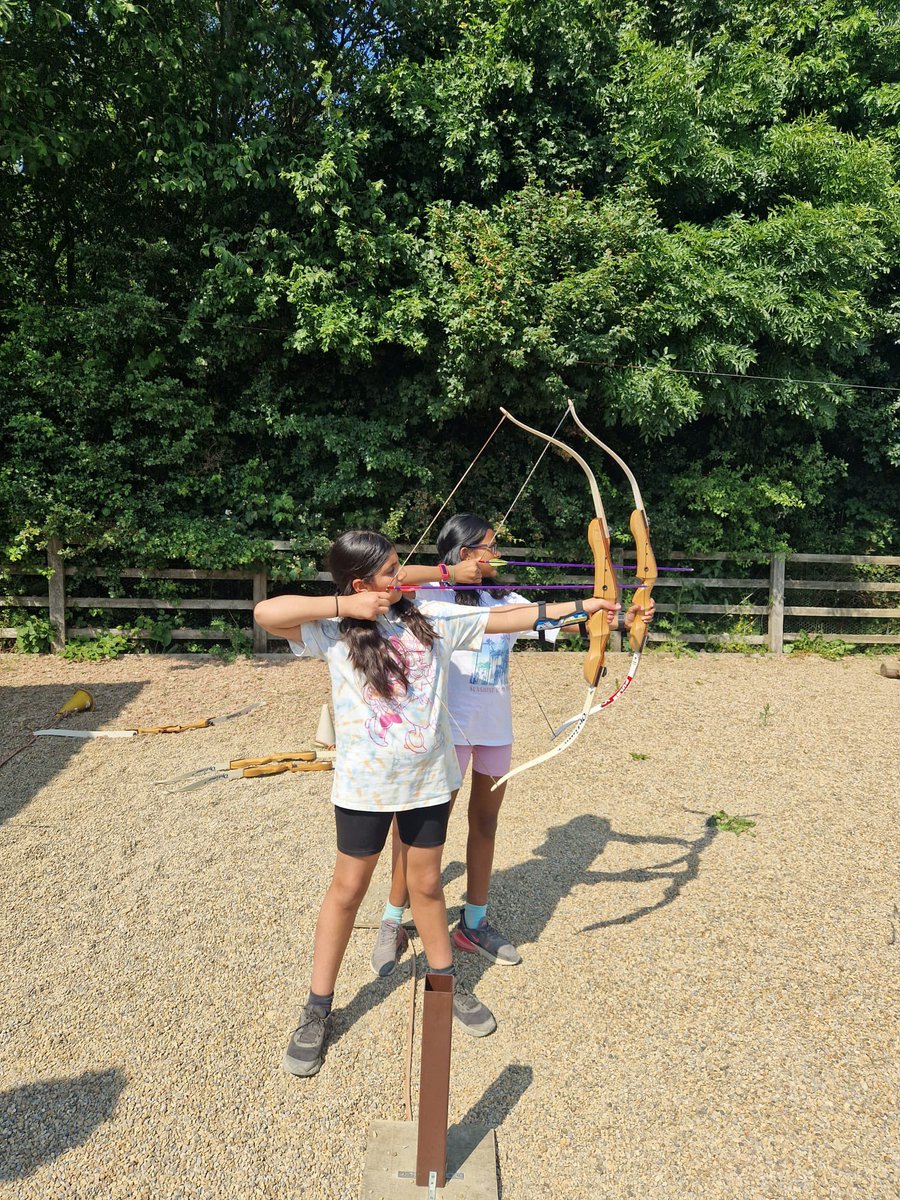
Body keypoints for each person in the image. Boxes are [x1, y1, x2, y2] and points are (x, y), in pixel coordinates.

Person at [253, 529, 622, 1077]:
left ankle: (446, 986)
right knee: (348, 891)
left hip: (427, 782)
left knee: (426, 886)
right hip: (365, 788)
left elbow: (512, 619)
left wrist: (587, 606)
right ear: (360, 583)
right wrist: (345, 604)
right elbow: (265, 611)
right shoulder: (331, 630)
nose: (404, 576)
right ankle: (317, 1009)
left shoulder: (430, 619)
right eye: (392, 570)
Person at [370, 515, 656, 978]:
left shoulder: (506, 599)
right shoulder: (430, 598)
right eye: (489, 547)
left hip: (494, 731)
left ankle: (474, 921)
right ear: (464, 553)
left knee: (485, 822)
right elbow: (392, 579)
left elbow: (558, 625)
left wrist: (623, 619)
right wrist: (447, 575)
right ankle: (393, 918)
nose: (496, 554)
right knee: (420, 830)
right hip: (445, 732)